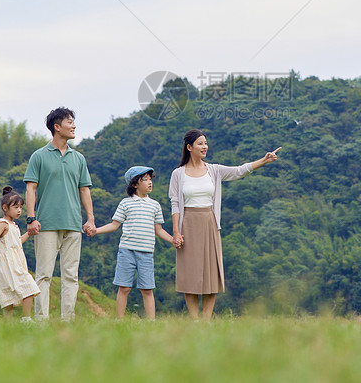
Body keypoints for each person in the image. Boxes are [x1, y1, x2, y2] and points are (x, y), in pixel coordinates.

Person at [169, 129, 280, 320]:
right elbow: (175, 204)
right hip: (188, 225)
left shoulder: (214, 170)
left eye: (205, 143)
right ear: (189, 147)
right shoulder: (178, 174)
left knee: (211, 272)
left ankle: (206, 320)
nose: (205, 147)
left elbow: (239, 170)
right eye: (200, 143)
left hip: (209, 223)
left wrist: (264, 160)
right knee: (190, 274)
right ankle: (194, 321)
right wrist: (176, 233)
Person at [24, 107, 96, 321]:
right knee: (43, 275)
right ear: (57, 127)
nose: (74, 126)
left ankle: (68, 320)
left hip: (73, 224)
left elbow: (84, 189)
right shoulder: (39, 156)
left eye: (74, 122)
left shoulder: (79, 158)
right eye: (69, 122)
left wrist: (90, 218)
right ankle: (41, 321)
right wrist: (31, 218)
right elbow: (31, 189)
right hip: (45, 223)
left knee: (71, 277)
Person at [88, 166, 173, 319]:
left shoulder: (155, 205)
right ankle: (119, 321)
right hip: (126, 251)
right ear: (134, 184)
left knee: (147, 289)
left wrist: (173, 240)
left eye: (150, 179)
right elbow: (114, 225)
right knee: (124, 288)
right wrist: (96, 230)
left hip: (146, 253)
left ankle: (151, 322)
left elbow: (159, 230)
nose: (149, 183)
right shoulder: (125, 203)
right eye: (145, 180)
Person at [0, 186, 40, 321]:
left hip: (17, 261)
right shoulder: (3, 224)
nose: (19, 210)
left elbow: (18, 243)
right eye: (16, 207)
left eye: (21, 207)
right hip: (9, 263)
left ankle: (11, 323)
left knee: (15, 291)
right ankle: (25, 319)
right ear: (5, 208)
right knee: (27, 288)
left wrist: (29, 233)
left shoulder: (14, 226)